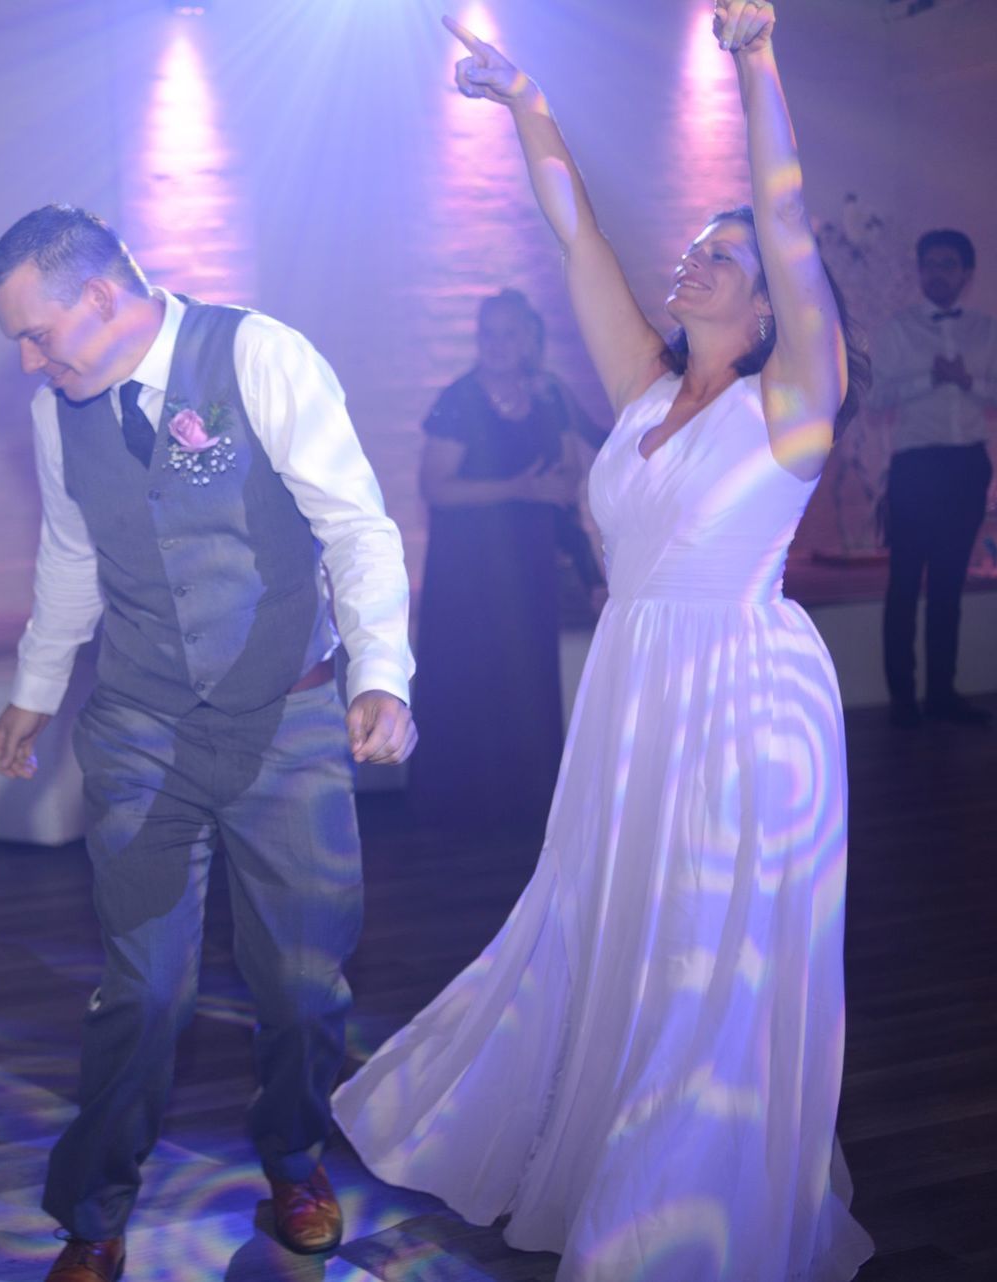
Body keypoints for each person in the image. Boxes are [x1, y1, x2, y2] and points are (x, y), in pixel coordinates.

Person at [333, 7, 876, 1280]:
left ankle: (681, 1207)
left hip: (745, 701)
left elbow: (786, 217)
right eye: (694, 246)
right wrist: (528, 103)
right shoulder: (640, 382)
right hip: (632, 688)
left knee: (708, 944)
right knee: (613, 920)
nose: (695, 260)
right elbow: (572, 231)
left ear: (775, 303)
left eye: (722, 259)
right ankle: (589, 1133)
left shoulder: (795, 406)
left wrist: (755, 61)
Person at [0, 205, 416, 1282]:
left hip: (290, 718)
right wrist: (35, 691)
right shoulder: (59, 411)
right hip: (140, 728)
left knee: (305, 984)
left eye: (38, 333)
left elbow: (355, 523)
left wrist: (381, 675)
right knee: (145, 987)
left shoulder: (259, 354)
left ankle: (297, 1159)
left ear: (102, 295)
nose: (29, 360)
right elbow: (72, 556)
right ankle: (93, 1211)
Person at [411, 288, 605, 837]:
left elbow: (568, 480)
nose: (497, 344)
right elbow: (435, 487)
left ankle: (524, 809)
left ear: (529, 340)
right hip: (466, 572)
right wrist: (518, 487)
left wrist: (590, 572)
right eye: (487, 333)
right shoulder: (457, 400)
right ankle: (457, 814)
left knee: (523, 679)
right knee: (466, 681)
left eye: (509, 333)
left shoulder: (548, 398)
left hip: (527, 568)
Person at [871, 228, 997, 727]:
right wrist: (927, 378)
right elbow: (874, 399)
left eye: (948, 264)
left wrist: (967, 381)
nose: (938, 273)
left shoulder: (987, 330)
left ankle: (941, 695)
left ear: (967, 274)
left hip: (967, 465)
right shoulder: (897, 330)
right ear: (920, 271)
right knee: (906, 582)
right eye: (929, 264)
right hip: (916, 466)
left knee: (950, 584)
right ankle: (903, 701)